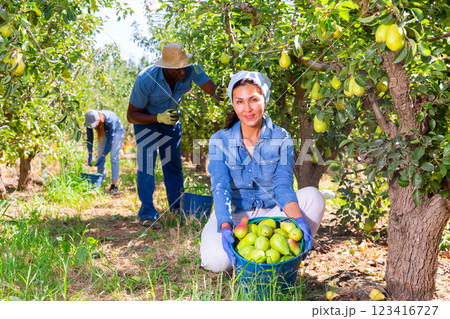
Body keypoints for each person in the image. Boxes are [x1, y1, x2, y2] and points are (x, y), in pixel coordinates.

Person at [200, 71, 326, 272]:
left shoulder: (281, 137)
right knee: (214, 261)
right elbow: (220, 187)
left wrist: (298, 220)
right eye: (239, 102)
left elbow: (283, 185)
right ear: (233, 104)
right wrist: (225, 226)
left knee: (314, 197)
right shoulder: (220, 140)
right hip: (233, 214)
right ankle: (246, 257)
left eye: (254, 100)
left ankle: (283, 260)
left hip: (270, 215)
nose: (247, 109)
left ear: (265, 99)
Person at [127, 42, 226, 228]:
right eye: (178, 69)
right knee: (147, 165)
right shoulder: (146, 79)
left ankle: (176, 210)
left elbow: (210, 87)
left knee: (173, 165)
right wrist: (158, 117)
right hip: (147, 121)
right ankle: (147, 213)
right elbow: (131, 115)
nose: (183, 72)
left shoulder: (191, 69)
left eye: (184, 67)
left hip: (171, 121)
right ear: (166, 68)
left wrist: (218, 92)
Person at [84, 109, 125, 193]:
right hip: (105, 130)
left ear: (98, 120)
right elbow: (89, 138)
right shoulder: (89, 120)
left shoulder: (110, 120)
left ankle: (114, 185)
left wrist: (104, 155)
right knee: (100, 154)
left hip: (116, 129)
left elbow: (110, 141)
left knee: (113, 157)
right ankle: (100, 183)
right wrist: (90, 153)